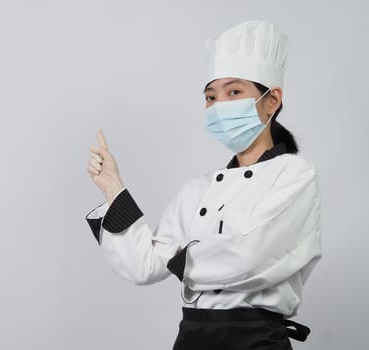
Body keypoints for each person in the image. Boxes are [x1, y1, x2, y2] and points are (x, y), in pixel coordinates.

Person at [84, 20, 322, 350]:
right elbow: (145, 265)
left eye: (234, 92)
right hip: (192, 338)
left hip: (255, 341)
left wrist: (182, 259)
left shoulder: (294, 174)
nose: (219, 105)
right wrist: (113, 189)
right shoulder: (197, 190)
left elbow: (250, 255)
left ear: (272, 100)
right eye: (211, 97)